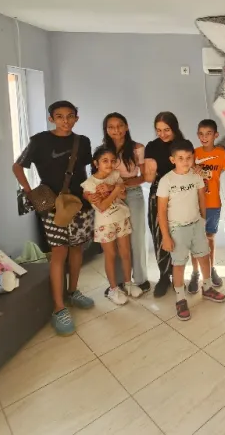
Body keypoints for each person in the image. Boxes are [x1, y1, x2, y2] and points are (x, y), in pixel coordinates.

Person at [12, 100, 95, 336]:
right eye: (59, 116)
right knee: (59, 253)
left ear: (77, 118)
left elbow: (87, 170)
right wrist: (30, 192)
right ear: (51, 119)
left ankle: (73, 292)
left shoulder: (83, 141)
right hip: (52, 207)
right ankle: (59, 308)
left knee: (77, 248)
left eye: (70, 116)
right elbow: (17, 166)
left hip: (80, 205)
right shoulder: (39, 141)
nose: (65, 121)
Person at [158, 139, 225, 320]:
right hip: (177, 228)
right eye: (180, 158)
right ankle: (180, 298)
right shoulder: (166, 180)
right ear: (172, 160)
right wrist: (165, 236)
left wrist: (202, 220)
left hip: (196, 224)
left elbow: (202, 198)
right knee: (179, 264)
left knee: (204, 256)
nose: (185, 161)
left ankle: (207, 287)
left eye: (189, 157)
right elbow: (161, 210)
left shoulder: (196, 176)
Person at [82, 147, 142, 304]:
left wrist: (114, 189)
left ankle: (128, 284)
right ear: (96, 163)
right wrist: (115, 190)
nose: (109, 164)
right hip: (105, 224)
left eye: (112, 161)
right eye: (105, 161)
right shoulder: (89, 184)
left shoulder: (115, 175)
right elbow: (102, 207)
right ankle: (113, 289)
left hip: (122, 218)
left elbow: (123, 194)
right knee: (111, 255)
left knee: (125, 252)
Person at [102, 113, 150, 295]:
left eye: (120, 125)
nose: (116, 130)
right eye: (111, 127)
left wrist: (122, 184)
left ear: (127, 126)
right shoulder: (103, 150)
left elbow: (144, 177)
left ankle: (141, 280)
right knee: (116, 239)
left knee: (136, 237)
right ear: (106, 130)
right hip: (110, 196)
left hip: (133, 194)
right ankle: (120, 281)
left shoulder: (138, 148)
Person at [144, 112, 183, 297]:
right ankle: (164, 276)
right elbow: (149, 177)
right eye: (158, 130)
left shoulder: (182, 144)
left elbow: (188, 168)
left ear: (174, 128)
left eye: (166, 129)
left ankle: (178, 276)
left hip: (181, 194)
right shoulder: (152, 146)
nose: (162, 134)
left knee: (179, 235)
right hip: (158, 194)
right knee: (159, 234)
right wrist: (148, 170)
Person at [190, 119, 225, 293]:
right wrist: (193, 170)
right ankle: (195, 273)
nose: (204, 137)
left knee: (209, 238)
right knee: (195, 240)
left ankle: (211, 268)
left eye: (208, 134)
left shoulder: (221, 154)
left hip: (213, 203)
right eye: (201, 134)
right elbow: (183, 172)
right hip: (195, 204)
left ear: (216, 135)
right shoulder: (194, 153)